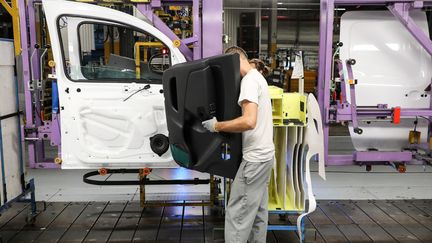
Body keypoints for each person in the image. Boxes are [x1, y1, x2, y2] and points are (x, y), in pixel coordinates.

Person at [201, 46, 275, 243]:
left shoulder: (249, 81)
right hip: (266, 156)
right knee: (257, 212)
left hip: (255, 160)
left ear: (234, 60)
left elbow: (249, 121)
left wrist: (217, 126)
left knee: (238, 215)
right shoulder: (258, 78)